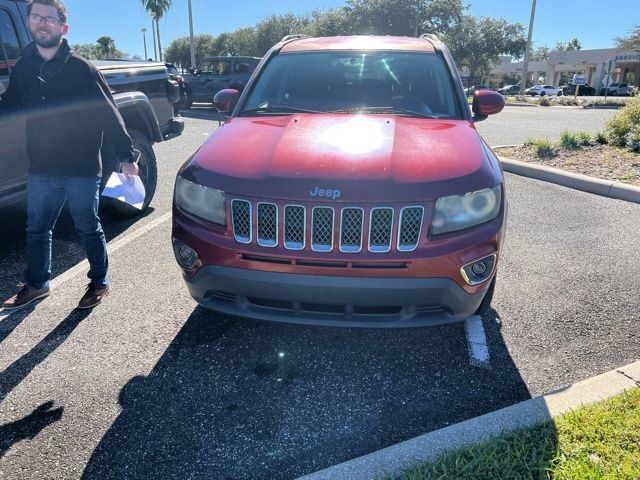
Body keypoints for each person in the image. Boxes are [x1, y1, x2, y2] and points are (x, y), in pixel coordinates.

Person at [1, 0, 138, 310]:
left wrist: (127, 155)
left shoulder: (82, 68)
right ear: (30, 23)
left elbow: (108, 112)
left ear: (63, 27)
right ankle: (37, 285)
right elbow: (12, 102)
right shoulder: (24, 67)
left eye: (50, 18)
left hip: (81, 167)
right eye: (36, 17)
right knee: (37, 228)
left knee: (87, 227)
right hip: (41, 166)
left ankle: (100, 281)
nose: (42, 23)